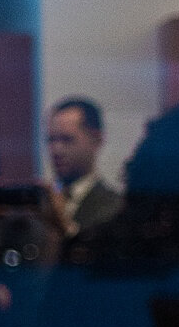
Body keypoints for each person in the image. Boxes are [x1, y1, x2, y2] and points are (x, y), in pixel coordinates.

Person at [47, 97, 123, 234]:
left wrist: (65, 226)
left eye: (67, 139)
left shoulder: (115, 207)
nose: (56, 150)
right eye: (51, 140)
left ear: (96, 140)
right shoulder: (44, 201)